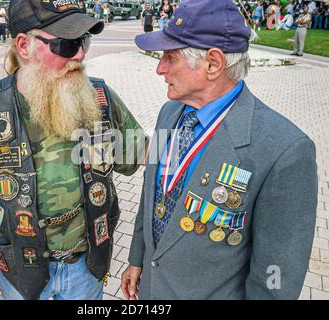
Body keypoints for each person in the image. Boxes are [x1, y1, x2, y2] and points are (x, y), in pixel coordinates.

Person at [0, 0, 146, 300]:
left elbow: (140, 155)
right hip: (17, 274)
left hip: (86, 268)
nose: (79, 54)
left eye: (84, 41)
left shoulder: (100, 98)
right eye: (66, 44)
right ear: (24, 45)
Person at [121, 0, 317, 300]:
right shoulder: (169, 113)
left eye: (170, 57)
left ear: (213, 63)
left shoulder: (285, 151)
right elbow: (152, 194)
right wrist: (137, 257)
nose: (160, 68)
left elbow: (275, 278)